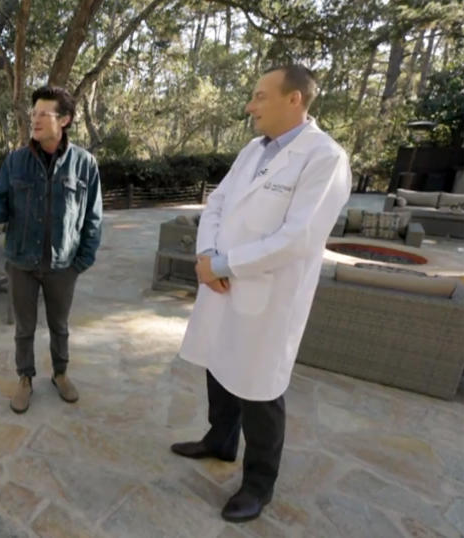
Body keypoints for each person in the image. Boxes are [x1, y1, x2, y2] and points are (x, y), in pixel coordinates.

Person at [172, 65, 351, 522]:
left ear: (295, 100)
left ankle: (258, 485)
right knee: (218, 362)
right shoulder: (254, 150)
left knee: (260, 389)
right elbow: (216, 204)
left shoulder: (325, 158)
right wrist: (207, 254)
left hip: (269, 296)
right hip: (222, 281)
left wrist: (224, 264)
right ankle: (220, 439)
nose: (250, 106)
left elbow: (300, 238)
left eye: (259, 96)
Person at [0, 85, 103, 414]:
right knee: (24, 328)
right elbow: (1, 207)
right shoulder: (15, 161)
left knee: (60, 326)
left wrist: (81, 261)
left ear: (64, 120)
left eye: (43, 114)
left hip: (62, 265)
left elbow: (93, 218)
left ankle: (61, 373)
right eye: (33, 112)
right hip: (21, 262)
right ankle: (24, 378)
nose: (35, 120)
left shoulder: (85, 164)